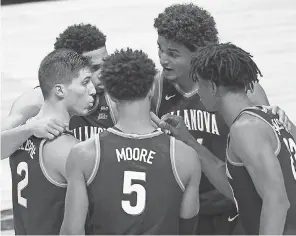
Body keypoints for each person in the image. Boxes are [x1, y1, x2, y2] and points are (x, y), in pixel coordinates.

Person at [152, 3, 270, 234]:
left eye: (173, 54)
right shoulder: (155, 88)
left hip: (233, 206)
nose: (163, 59)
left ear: (199, 53)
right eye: (160, 49)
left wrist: (281, 120)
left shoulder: (243, 90)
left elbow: (270, 150)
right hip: (184, 209)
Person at [158, 43, 296, 235]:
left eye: (199, 84)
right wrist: (188, 140)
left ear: (213, 87)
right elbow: (236, 188)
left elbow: (277, 201)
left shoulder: (245, 128)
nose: (198, 92)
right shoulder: (270, 118)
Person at [60, 48, 201, 235]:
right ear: (152, 88)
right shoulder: (185, 156)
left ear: (110, 94)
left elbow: (71, 232)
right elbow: (188, 230)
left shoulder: (84, 154)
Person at [8, 49, 95, 234]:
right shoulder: (69, 149)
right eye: (86, 82)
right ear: (60, 90)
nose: (93, 90)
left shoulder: (21, 134)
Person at [1, 23, 115, 159]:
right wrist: (28, 129)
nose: (104, 73)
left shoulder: (117, 98)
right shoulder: (35, 102)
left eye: (106, 63)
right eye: (95, 68)